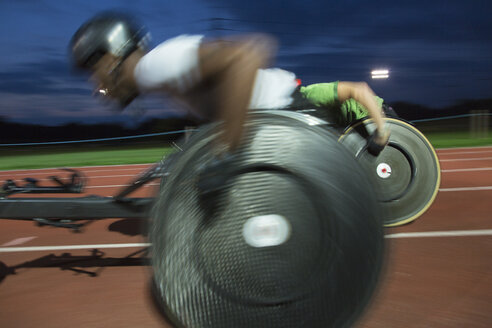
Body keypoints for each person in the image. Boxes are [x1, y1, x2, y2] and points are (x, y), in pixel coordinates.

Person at [70, 11, 390, 157]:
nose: (97, 85)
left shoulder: (152, 67)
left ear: (111, 57)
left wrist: (228, 152)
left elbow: (248, 53)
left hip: (288, 110)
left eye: (93, 70)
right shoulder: (158, 77)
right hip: (279, 114)